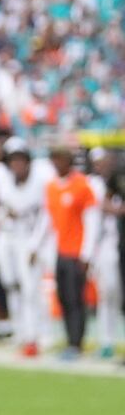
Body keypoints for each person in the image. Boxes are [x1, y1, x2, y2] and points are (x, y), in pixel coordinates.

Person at [0, 137, 52, 357]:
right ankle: (22, 331)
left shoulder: (40, 179)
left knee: (31, 288)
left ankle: (37, 335)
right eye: (12, 160)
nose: (16, 164)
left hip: (30, 238)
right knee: (12, 285)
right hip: (11, 237)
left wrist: (35, 245)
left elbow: (45, 214)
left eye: (20, 159)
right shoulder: (4, 181)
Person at [45, 145, 99, 360]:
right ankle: (69, 340)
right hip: (60, 251)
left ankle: (77, 342)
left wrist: (87, 254)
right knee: (64, 298)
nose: (57, 164)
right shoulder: (52, 187)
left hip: (77, 252)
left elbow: (91, 221)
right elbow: (50, 221)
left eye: (60, 159)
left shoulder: (81, 185)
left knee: (77, 299)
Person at [89, 148, 120, 359]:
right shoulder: (92, 185)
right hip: (105, 243)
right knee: (106, 292)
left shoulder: (118, 181)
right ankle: (107, 340)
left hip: (118, 241)